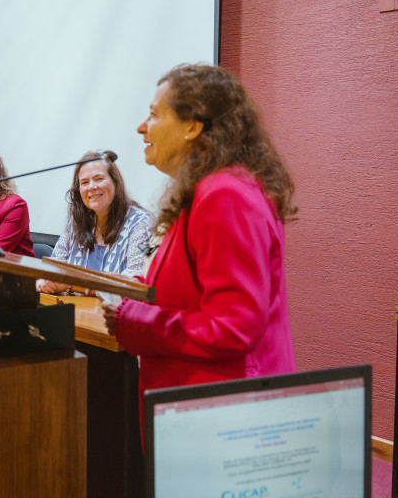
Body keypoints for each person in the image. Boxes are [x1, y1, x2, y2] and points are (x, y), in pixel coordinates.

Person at [102, 63, 297, 398]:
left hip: (223, 407)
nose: (141, 127)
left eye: (153, 115)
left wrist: (133, 319)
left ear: (192, 126)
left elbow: (233, 328)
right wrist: (135, 292)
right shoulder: (206, 188)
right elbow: (188, 291)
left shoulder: (225, 194)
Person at [37, 151, 153, 294]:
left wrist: (70, 285)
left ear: (115, 183)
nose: (91, 187)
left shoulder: (141, 223)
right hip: (73, 310)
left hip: (115, 314)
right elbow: (54, 267)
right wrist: (45, 282)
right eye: (84, 182)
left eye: (99, 179)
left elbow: (134, 282)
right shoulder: (77, 222)